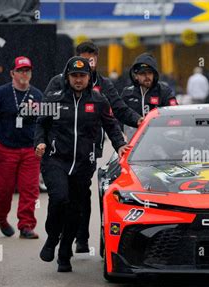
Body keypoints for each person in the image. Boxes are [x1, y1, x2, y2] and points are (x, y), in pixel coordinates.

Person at [45, 41, 142, 254]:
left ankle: (81, 238)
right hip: (60, 150)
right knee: (61, 196)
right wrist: (41, 142)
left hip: (88, 148)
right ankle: (56, 237)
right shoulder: (58, 82)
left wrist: (142, 120)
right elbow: (43, 117)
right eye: (84, 59)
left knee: (81, 196)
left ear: (96, 60)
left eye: (92, 60)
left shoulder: (104, 85)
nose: (88, 64)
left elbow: (119, 111)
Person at [35, 57, 128, 272]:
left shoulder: (98, 101)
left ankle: (64, 252)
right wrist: (40, 142)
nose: (78, 80)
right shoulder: (54, 99)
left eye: (82, 76)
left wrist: (120, 144)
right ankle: (52, 239)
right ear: (67, 78)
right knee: (59, 199)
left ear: (89, 78)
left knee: (76, 209)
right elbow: (41, 124)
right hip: (56, 159)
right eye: (74, 76)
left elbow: (111, 125)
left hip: (83, 163)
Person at [0, 56, 42, 239]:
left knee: (30, 190)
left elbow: (45, 122)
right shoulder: (1, 93)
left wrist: (41, 142)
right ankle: (0, 217)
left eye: (27, 71)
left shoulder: (37, 95)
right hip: (5, 149)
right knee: (4, 191)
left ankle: (26, 225)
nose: (24, 74)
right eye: (20, 70)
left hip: (30, 151)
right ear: (12, 73)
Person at [121, 52, 178, 140]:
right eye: (143, 73)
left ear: (154, 74)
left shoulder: (164, 92)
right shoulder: (127, 93)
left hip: (160, 140)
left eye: (150, 73)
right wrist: (126, 132)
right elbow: (119, 115)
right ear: (136, 76)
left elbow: (175, 114)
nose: (147, 76)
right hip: (134, 142)